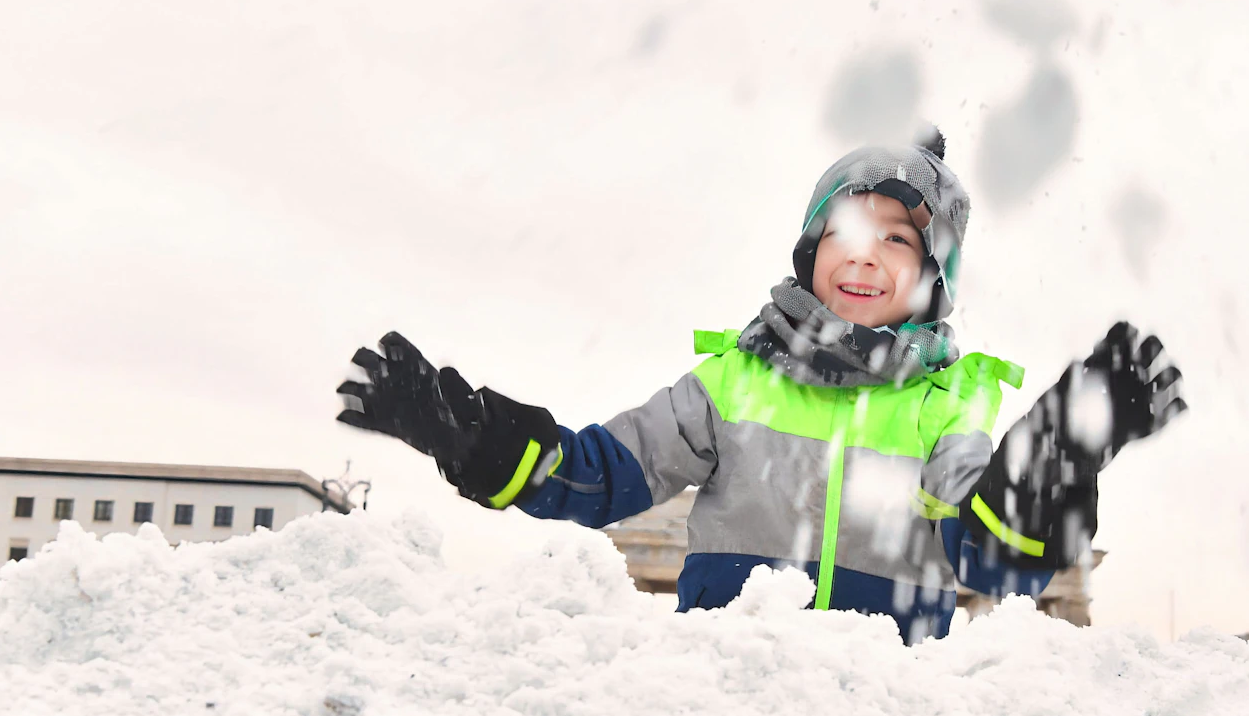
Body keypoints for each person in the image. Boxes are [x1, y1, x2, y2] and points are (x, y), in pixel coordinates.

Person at [337, 128, 1185, 642]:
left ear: (933, 280)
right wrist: (482, 444)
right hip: (728, 708)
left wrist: (1057, 457)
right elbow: (602, 475)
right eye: (844, 230)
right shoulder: (733, 385)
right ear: (810, 251)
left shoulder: (942, 407)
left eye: (897, 240)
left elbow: (989, 553)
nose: (863, 253)